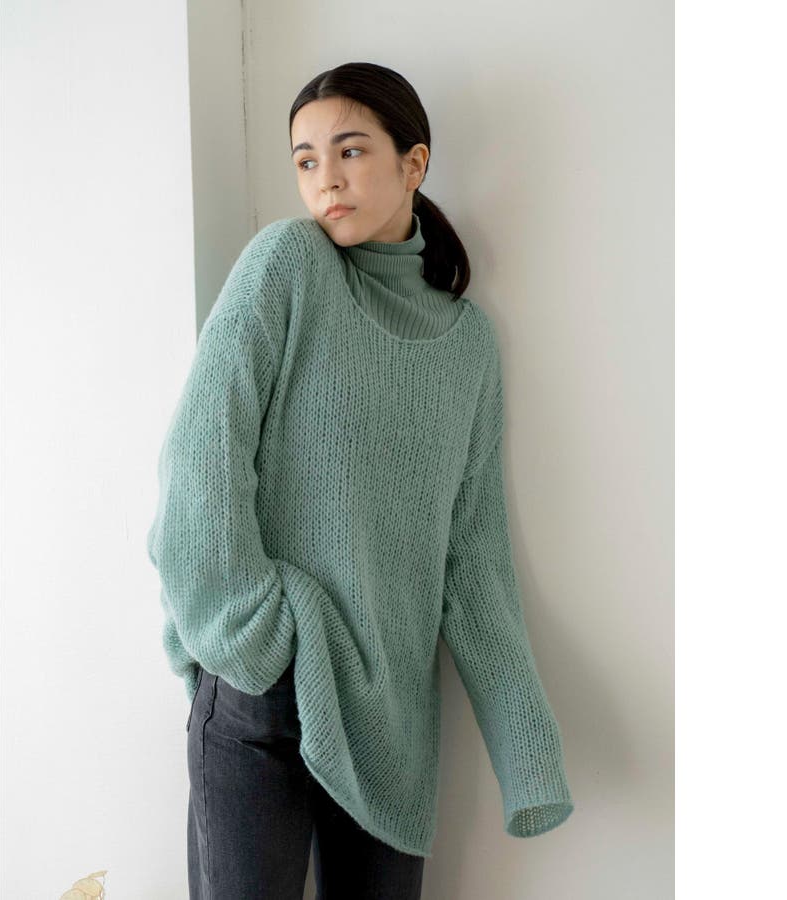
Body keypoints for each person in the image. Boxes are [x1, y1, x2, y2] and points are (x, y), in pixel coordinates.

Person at [146, 61, 574, 900]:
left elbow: (471, 563)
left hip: (388, 726)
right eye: (305, 160)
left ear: (414, 163)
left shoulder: (467, 346)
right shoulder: (287, 264)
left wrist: (526, 751)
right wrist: (256, 644)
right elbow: (200, 460)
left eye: (350, 151)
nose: (326, 180)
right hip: (261, 695)